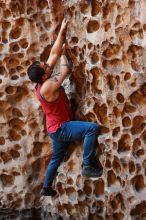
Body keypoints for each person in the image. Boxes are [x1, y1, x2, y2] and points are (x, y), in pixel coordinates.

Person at [27, 18, 103, 196]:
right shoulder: (48, 87)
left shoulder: (41, 81)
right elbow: (66, 70)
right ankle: (87, 165)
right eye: (44, 66)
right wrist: (63, 54)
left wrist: (62, 30)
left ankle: (46, 188)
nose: (46, 63)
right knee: (91, 129)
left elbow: (53, 53)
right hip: (61, 128)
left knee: (56, 158)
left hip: (54, 128)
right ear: (44, 75)